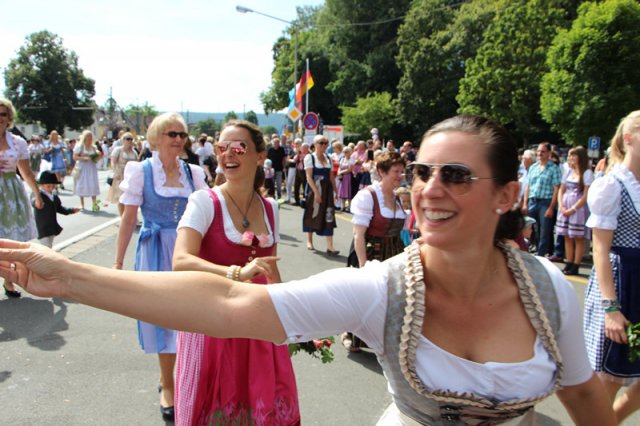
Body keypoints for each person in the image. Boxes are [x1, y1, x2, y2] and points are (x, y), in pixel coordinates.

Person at [0, 115, 616, 425]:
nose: (430, 189)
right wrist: (70, 277)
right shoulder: (382, 288)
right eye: (422, 172)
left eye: (455, 175)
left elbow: (587, 399)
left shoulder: (547, 288)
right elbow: (226, 306)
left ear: (507, 195)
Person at [172, 120, 299, 426]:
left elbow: (271, 268)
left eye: (239, 147)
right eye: (222, 147)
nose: (228, 153)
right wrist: (237, 274)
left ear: (260, 156)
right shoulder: (204, 201)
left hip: (257, 327)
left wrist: (290, 318)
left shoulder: (270, 207)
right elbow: (181, 260)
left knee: (261, 409)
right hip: (212, 326)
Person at [113, 112, 207, 421]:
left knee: (190, 319)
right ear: (156, 138)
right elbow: (128, 219)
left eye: (182, 134)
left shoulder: (193, 173)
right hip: (154, 251)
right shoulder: (141, 171)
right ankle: (168, 383)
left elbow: (207, 217)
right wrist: (118, 262)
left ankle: (182, 377)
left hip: (188, 252)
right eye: (172, 134)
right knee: (164, 320)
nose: (178, 139)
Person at [583, 110, 640, 424]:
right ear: (628, 139)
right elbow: (601, 250)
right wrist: (611, 308)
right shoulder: (612, 185)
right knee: (610, 376)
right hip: (621, 284)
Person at [343, 151, 408, 352]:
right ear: (381, 171)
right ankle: (351, 335)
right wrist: (364, 265)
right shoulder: (368, 196)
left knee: (390, 300)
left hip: (394, 252)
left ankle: (382, 341)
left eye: (402, 171)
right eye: (396, 171)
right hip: (371, 252)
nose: (400, 176)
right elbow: (358, 235)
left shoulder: (397, 197)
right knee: (364, 299)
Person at [0, 98, 43, 298]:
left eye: (3, 114)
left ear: (9, 118)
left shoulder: (18, 142)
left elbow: (25, 172)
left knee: (10, 239)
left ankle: (9, 279)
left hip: (11, 193)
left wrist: (37, 194)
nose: (0, 118)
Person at [554, 146, 593, 275]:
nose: (570, 158)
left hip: (577, 208)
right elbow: (561, 189)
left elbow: (585, 195)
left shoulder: (587, 173)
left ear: (580, 157)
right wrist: (561, 205)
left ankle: (576, 264)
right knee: (567, 236)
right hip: (565, 205)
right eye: (570, 155)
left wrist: (573, 208)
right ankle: (569, 262)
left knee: (577, 237)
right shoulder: (568, 171)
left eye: (573, 155)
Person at [521, 142, 562, 258]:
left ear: (549, 153)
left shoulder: (554, 168)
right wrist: (525, 203)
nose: (540, 154)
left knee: (545, 230)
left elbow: (556, 189)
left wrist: (551, 207)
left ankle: (541, 254)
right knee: (532, 228)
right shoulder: (533, 167)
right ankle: (533, 249)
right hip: (533, 201)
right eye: (538, 151)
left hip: (546, 202)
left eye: (543, 151)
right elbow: (528, 186)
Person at [302, 135, 339, 256]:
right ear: (315, 144)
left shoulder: (328, 158)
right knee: (313, 212)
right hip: (315, 188)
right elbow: (309, 177)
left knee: (329, 214)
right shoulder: (310, 158)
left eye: (325, 143)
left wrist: (336, 191)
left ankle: (330, 246)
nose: (324, 145)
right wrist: (316, 193)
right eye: (321, 143)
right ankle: (309, 240)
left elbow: (331, 176)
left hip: (327, 190)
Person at [32, 171, 80, 248]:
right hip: (42, 228)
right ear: (42, 185)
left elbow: (59, 208)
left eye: (53, 186)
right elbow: (34, 203)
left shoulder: (54, 196)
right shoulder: (38, 195)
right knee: (46, 248)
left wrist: (71, 210)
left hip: (52, 226)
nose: (51, 188)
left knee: (49, 246)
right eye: (48, 186)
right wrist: (37, 199)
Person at [106, 132, 139, 216]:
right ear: (123, 140)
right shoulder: (118, 150)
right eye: (128, 139)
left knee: (131, 197)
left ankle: (130, 215)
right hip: (120, 175)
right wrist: (115, 172)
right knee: (120, 196)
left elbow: (137, 163)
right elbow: (113, 162)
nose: (130, 141)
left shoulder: (134, 152)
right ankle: (122, 216)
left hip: (131, 176)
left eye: (131, 139)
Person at [72, 130, 101, 211]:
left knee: (92, 183)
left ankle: (94, 204)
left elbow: (97, 156)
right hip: (82, 167)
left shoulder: (93, 147)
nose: (90, 138)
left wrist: (97, 157)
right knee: (82, 183)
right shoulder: (80, 146)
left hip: (91, 167)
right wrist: (84, 158)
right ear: (84, 137)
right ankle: (82, 204)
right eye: (88, 136)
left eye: (91, 136)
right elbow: (74, 157)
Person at [336, 146, 354, 212]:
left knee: (348, 191)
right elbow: (339, 167)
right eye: (344, 152)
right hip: (342, 177)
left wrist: (341, 172)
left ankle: (349, 206)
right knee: (342, 191)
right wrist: (338, 172)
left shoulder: (351, 160)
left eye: (346, 152)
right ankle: (342, 206)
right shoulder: (342, 159)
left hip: (348, 177)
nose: (345, 153)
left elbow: (349, 169)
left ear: (350, 152)